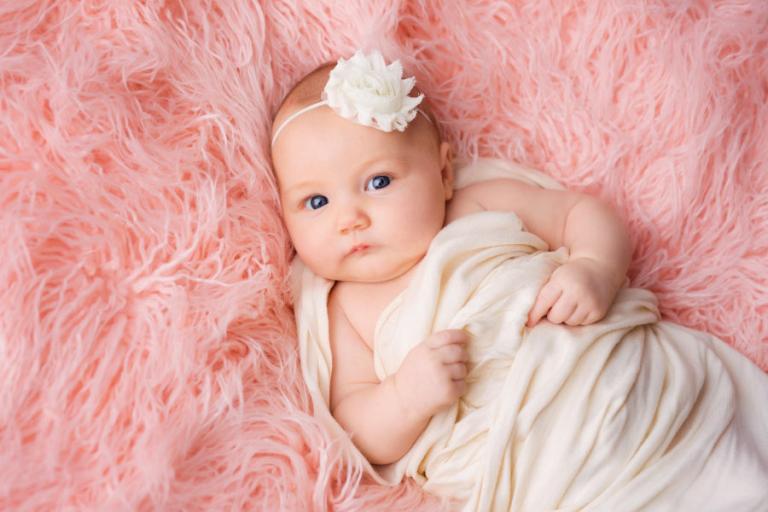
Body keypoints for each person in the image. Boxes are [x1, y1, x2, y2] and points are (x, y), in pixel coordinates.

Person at [270, 51, 768, 510]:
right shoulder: (346, 309)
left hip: (609, 379)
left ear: (443, 174)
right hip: (536, 463)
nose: (349, 218)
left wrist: (594, 267)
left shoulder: (479, 204)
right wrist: (404, 397)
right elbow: (357, 425)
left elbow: (581, 213)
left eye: (378, 182)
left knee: (720, 464)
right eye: (317, 202)